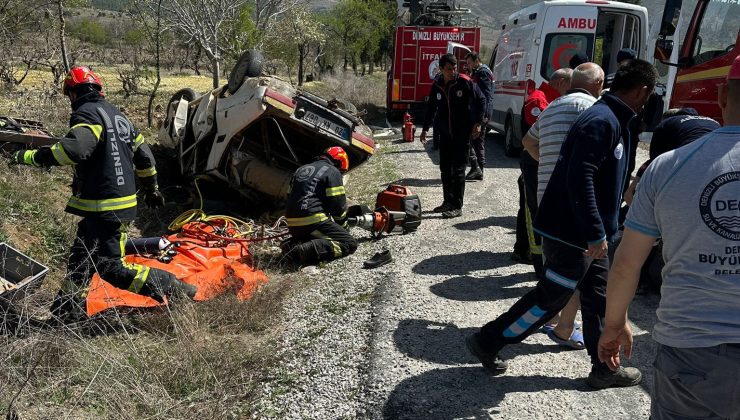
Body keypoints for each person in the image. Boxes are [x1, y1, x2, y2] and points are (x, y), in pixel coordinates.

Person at [467, 59, 658, 389]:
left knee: (598, 297)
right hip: (573, 233)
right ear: (642, 91)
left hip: (585, 233)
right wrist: (596, 232)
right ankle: (488, 339)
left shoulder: (614, 118)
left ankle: (604, 368)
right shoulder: (602, 120)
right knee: (552, 297)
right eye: (649, 96)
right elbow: (578, 176)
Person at [598, 54, 740, 419]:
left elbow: (627, 264)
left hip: (693, 354)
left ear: (723, 96)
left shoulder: (668, 166)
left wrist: (614, 325)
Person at [8, 66, 196, 321]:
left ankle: (177, 289)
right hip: (111, 207)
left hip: (106, 208)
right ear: (99, 89)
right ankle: (66, 314)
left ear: (73, 94)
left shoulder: (86, 115)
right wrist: (151, 189)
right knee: (81, 260)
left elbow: (74, 151)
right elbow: (145, 157)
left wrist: (28, 157)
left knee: (111, 268)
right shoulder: (120, 117)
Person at [522, 62, 605, 349]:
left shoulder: (553, 107)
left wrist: (548, 165)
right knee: (578, 268)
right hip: (576, 201)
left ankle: (552, 316)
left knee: (553, 264)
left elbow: (528, 142)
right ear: (599, 83)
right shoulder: (594, 110)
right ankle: (565, 327)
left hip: (547, 196)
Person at [512, 68, 572, 277]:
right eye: (571, 84)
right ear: (561, 82)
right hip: (534, 163)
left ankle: (527, 251)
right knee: (534, 210)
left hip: (539, 163)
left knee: (537, 209)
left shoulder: (551, 99)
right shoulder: (539, 101)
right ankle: (536, 258)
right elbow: (534, 138)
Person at [420, 53, 486, 219]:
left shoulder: (464, 81)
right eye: (449, 69)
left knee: (458, 170)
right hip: (445, 134)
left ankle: (457, 206)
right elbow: (431, 107)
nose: (452, 71)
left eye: (455, 67)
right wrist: (425, 128)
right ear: (441, 69)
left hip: (461, 134)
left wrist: (477, 123)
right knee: (445, 169)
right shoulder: (437, 84)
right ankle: (447, 201)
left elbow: (481, 99)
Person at [282, 146, 357, 265]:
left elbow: (288, 196)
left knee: (319, 237)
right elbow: (337, 205)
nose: (341, 174)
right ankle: (303, 251)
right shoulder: (332, 171)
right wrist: (344, 228)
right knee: (349, 243)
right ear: (338, 162)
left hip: (292, 222)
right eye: (341, 171)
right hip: (313, 220)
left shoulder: (301, 169)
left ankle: (291, 245)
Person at [464, 52, 494, 181]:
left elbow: (485, 96)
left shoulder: (483, 73)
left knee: (476, 141)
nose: (468, 66)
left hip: (481, 114)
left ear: (476, 60)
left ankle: (478, 169)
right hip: (480, 113)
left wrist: (481, 119)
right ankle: (478, 170)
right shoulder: (481, 71)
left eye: (469, 63)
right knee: (477, 141)